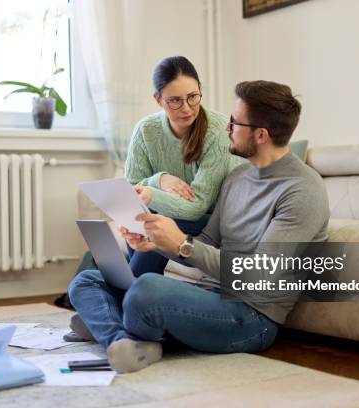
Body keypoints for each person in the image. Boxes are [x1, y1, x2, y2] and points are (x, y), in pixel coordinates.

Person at [68, 80, 330, 374]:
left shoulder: (302, 190)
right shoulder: (238, 177)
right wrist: (156, 242)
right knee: (87, 280)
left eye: (234, 122)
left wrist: (181, 243)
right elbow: (207, 239)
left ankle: (109, 323)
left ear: (260, 135)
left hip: (251, 317)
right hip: (206, 292)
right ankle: (122, 341)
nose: (226, 128)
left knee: (145, 292)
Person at [123, 55, 243, 277]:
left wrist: (151, 194)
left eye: (193, 97)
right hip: (174, 214)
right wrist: (159, 180)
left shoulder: (218, 131)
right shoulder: (145, 130)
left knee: (157, 221)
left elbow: (198, 206)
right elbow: (131, 190)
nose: (187, 108)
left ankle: (128, 298)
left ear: (200, 90)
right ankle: (138, 298)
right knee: (137, 218)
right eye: (175, 100)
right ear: (158, 99)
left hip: (213, 221)